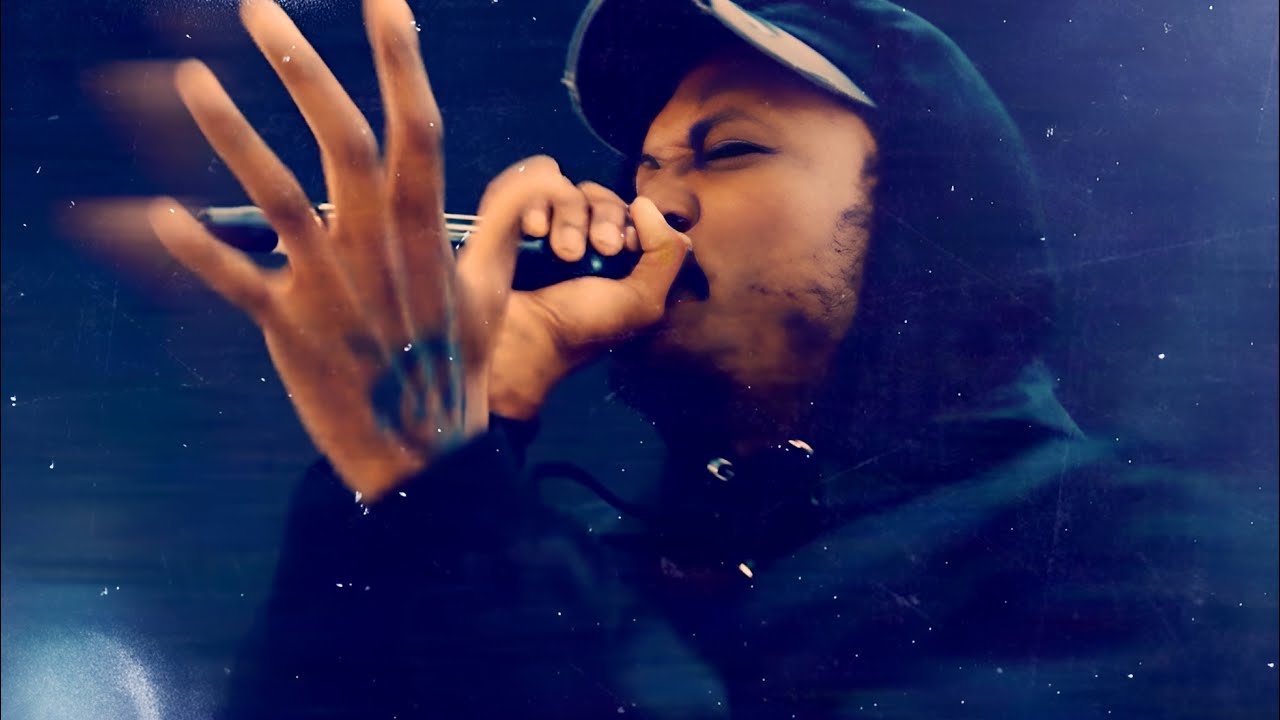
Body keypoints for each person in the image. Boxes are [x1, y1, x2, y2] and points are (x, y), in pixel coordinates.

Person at [123, 0, 1273, 717]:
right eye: (643, 169)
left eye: (725, 152)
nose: (650, 207)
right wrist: (457, 432)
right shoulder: (588, 561)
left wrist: (452, 501)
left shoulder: (1131, 545)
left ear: (919, 219)